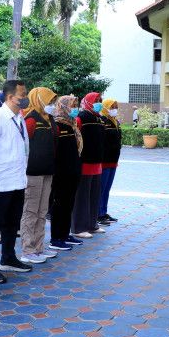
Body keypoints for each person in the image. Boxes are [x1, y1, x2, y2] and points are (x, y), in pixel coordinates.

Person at [0, 80, 33, 283]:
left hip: (17, 180)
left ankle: (9, 257)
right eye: (22, 94)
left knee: (12, 223)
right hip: (0, 182)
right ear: (10, 97)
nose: (25, 97)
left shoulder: (18, 117)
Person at [19, 87, 59, 264]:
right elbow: (23, 147)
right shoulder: (30, 119)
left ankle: (39, 247)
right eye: (49, 101)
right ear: (38, 99)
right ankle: (28, 250)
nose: (51, 105)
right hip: (33, 173)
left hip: (48, 171)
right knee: (31, 212)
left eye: (53, 102)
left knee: (42, 212)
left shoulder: (49, 119)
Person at [48, 95, 84, 250]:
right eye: (71, 105)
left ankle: (64, 233)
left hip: (73, 172)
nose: (74, 108)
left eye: (76, 105)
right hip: (61, 173)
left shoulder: (71, 125)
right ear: (62, 106)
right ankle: (56, 238)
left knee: (69, 204)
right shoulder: (57, 125)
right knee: (60, 204)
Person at [72, 92, 107, 239]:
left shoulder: (99, 118)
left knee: (94, 195)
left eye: (100, 100)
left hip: (97, 163)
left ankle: (92, 224)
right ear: (88, 102)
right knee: (82, 196)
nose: (99, 103)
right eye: (96, 101)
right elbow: (77, 139)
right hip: (85, 162)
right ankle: (79, 228)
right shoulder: (82, 117)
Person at [99, 98, 122, 226]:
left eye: (116, 107)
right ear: (105, 107)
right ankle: (98, 214)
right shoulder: (103, 121)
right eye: (112, 107)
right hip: (104, 160)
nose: (114, 109)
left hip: (113, 160)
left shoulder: (115, 122)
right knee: (101, 188)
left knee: (107, 189)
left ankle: (104, 211)